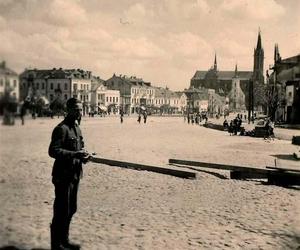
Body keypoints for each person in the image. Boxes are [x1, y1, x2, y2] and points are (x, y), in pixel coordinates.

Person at [48, 98, 90, 250]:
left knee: (72, 209)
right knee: (61, 210)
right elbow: (53, 151)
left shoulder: (77, 128)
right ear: (69, 110)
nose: (80, 112)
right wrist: (74, 155)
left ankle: (64, 240)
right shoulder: (61, 128)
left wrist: (84, 156)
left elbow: (81, 146)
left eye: (81, 109)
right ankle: (55, 244)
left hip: (75, 174)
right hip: (62, 175)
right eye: (77, 109)